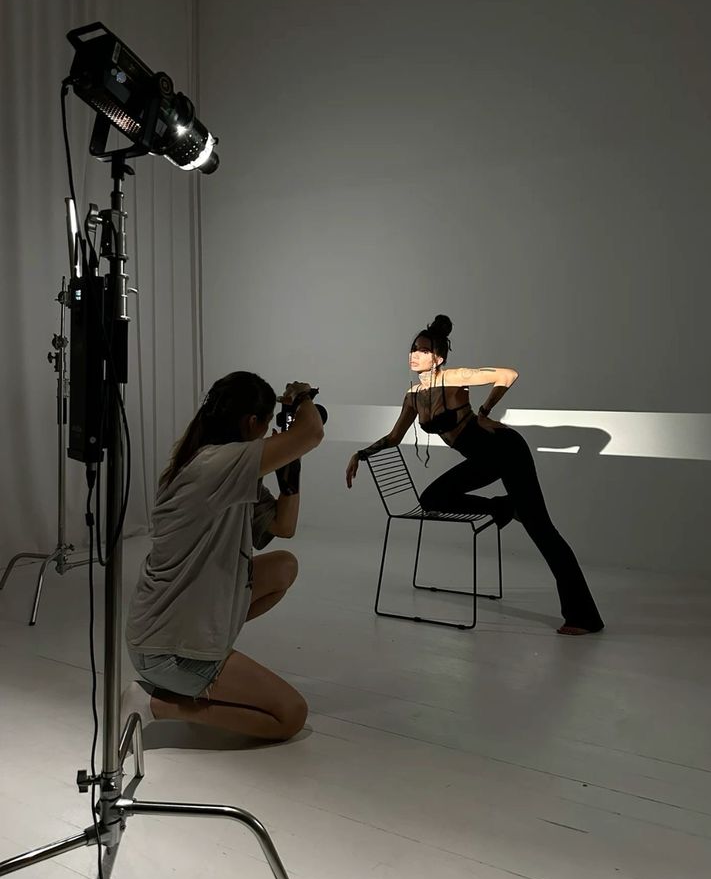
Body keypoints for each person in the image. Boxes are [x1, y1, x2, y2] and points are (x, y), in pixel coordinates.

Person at [346, 315, 604, 635]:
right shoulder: (413, 396)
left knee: (543, 532)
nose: (415, 354)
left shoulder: (454, 377)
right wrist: (361, 454)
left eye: (423, 350)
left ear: (438, 358)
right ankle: (505, 508)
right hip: (483, 459)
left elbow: (508, 374)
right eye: (413, 348)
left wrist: (484, 412)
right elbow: (395, 437)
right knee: (432, 498)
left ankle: (584, 618)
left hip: (505, 450)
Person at [122, 371, 325, 742]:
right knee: (291, 715)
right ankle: (153, 704)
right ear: (252, 423)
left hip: (170, 629)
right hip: (166, 650)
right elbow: (311, 433)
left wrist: (290, 471)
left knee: (283, 567)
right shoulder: (216, 465)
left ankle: (209, 653)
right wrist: (300, 398)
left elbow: (284, 526)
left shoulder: (224, 466)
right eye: (266, 425)